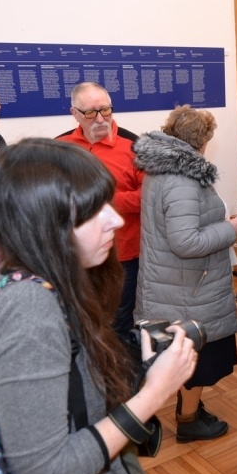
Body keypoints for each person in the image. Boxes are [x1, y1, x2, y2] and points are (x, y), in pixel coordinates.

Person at [0, 138, 197, 474]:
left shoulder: (27, 277)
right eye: (92, 211)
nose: (116, 220)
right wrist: (156, 393)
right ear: (44, 224)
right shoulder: (29, 312)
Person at [133, 106, 237, 442]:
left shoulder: (162, 169)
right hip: (188, 287)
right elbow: (185, 242)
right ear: (201, 140)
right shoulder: (183, 178)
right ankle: (189, 420)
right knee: (196, 355)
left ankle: (190, 409)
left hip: (177, 281)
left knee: (184, 352)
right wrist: (229, 229)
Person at [56, 82, 143, 342]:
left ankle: (117, 368)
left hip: (123, 255)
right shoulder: (60, 147)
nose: (101, 119)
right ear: (74, 113)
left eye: (106, 110)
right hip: (77, 255)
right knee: (80, 321)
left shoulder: (135, 146)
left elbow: (149, 198)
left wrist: (103, 201)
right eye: (91, 113)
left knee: (118, 324)